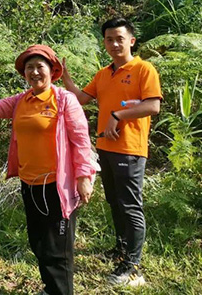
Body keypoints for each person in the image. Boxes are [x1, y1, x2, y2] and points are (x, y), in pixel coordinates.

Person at [0, 45, 96, 295]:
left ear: (52, 70)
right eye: (29, 67)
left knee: (58, 248)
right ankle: (51, 288)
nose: (34, 72)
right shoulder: (22, 100)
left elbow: (81, 140)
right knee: (38, 241)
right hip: (30, 183)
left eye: (40, 66)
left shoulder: (64, 99)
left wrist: (84, 177)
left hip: (57, 186)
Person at [61, 18, 161, 287]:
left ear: (131, 40)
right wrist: (66, 78)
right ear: (104, 42)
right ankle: (121, 249)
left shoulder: (143, 69)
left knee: (130, 206)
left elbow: (153, 106)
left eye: (119, 38)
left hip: (130, 149)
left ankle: (133, 265)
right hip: (104, 148)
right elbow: (81, 98)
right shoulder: (104, 73)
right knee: (115, 203)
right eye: (109, 39)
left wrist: (118, 114)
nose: (114, 44)